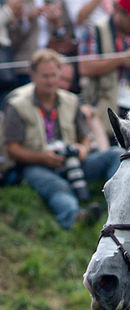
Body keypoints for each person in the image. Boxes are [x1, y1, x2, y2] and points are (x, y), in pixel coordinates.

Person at [3, 48, 122, 228]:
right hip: (34, 165)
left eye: (53, 75)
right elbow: (12, 149)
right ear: (33, 76)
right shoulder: (17, 104)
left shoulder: (71, 100)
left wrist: (82, 149)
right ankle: (76, 219)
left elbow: (84, 139)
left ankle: (118, 207)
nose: (50, 81)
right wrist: (42, 158)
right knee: (57, 186)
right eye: (45, 76)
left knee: (116, 154)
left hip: (71, 160)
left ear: (60, 74)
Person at [77, 0, 130, 134]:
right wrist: (121, 60)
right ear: (119, 11)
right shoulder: (95, 30)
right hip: (105, 111)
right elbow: (85, 67)